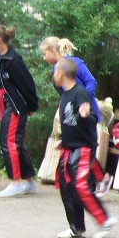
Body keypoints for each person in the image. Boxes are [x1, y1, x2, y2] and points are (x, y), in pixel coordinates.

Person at [52, 58, 117, 238]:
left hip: (83, 147)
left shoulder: (80, 93)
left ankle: (105, 220)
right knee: (66, 187)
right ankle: (76, 227)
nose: (53, 75)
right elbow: (69, 123)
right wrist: (63, 140)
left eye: (55, 72)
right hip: (69, 146)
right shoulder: (65, 94)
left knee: (80, 185)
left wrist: (85, 114)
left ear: (61, 73)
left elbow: (90, 117)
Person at [39, 36, 111, 194]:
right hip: (71, 114)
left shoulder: (75, 64)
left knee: (84, 147)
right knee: (76, 148)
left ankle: (93, 184)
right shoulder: (55, 70)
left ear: (53, 51)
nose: (44, 58)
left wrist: (82, 100)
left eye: (45, 54)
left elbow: (91, 82)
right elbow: (64, 94)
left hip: (86, 112)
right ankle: (95, 180)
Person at [0, 24, 39, 197]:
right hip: (6, 102)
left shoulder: (13, 61)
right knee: (13, 142)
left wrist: (32, 106)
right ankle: (29, 182)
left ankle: (15, 182)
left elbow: (28, 84)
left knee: (9, 142)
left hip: (17, 105)